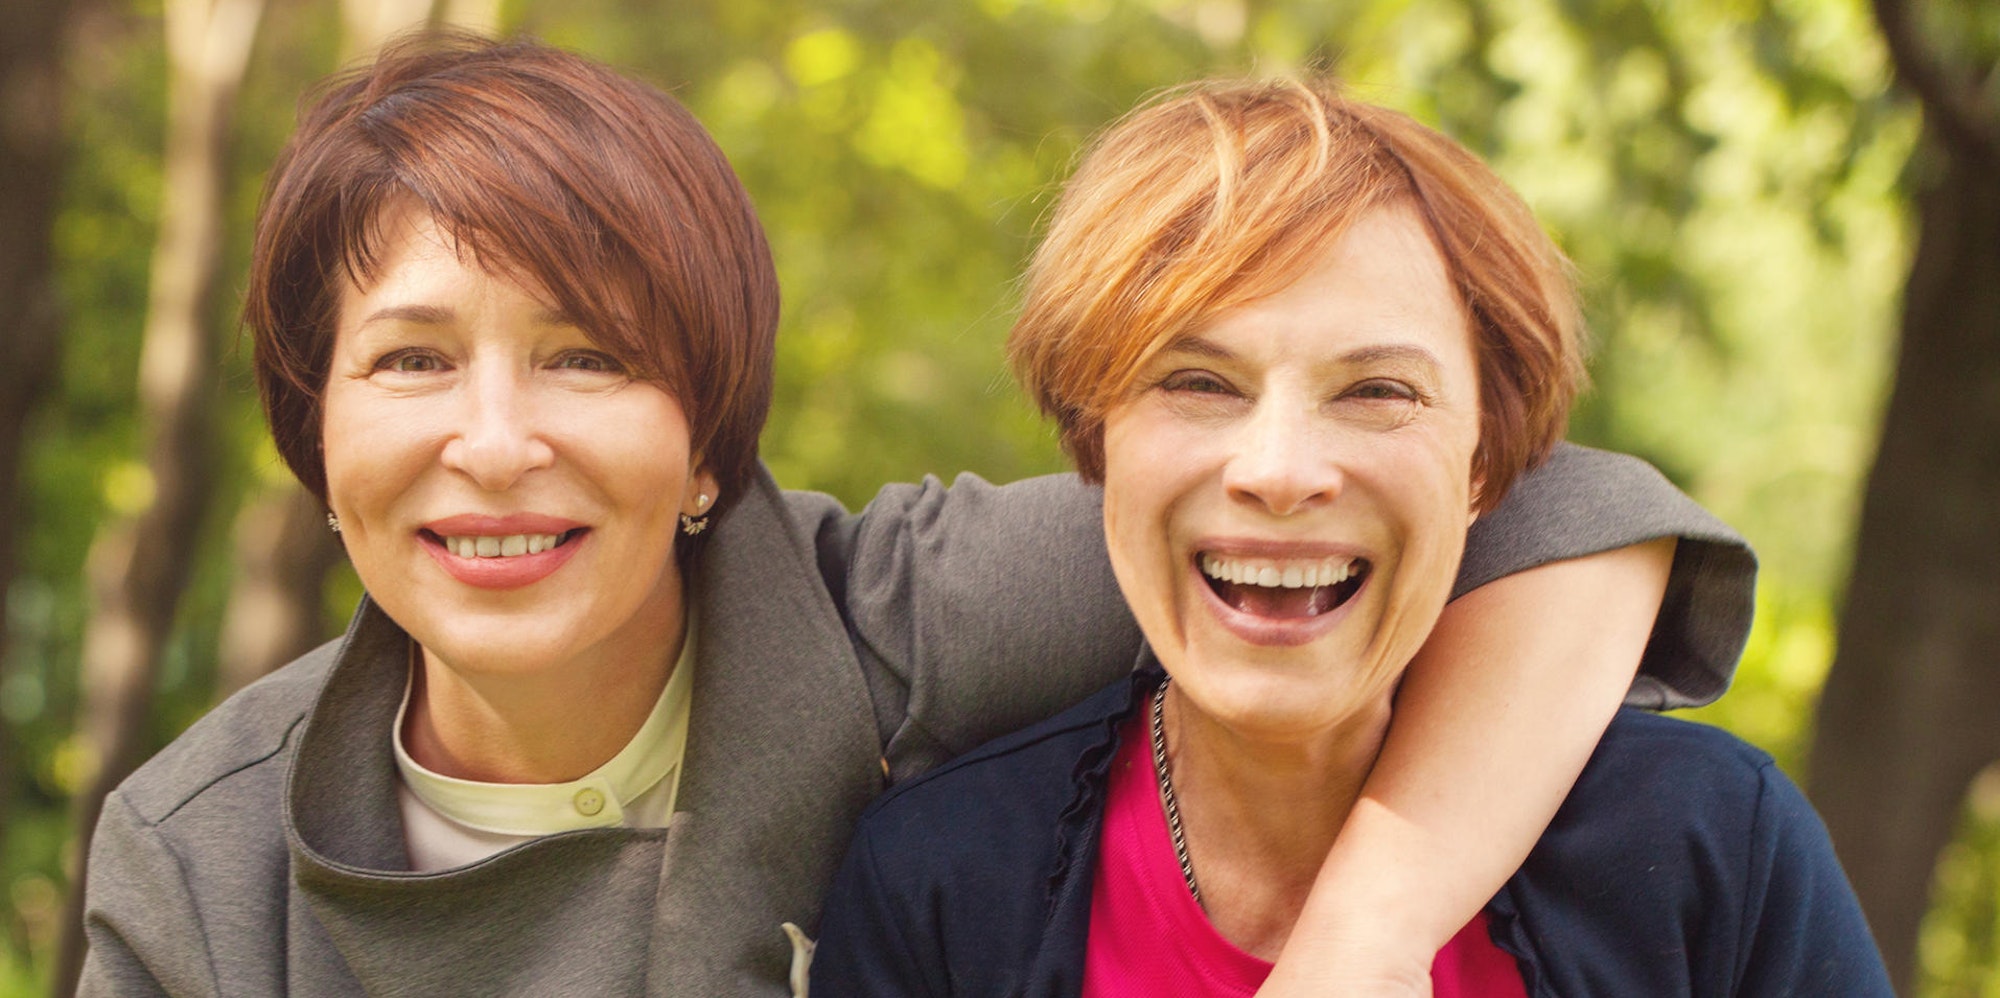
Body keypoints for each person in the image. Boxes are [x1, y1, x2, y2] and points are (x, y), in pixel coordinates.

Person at [79, 39, 1756, 997]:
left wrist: (1364, 942)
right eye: (411, 360)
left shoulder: (887, 617)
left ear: (709, 446)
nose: (495, 441)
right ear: (317, 426)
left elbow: (1560, 505)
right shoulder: (196, 857)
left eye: (589, 357)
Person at [810, 77, 1892, 996]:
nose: (1279, 470)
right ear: (1096, 439)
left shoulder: (1706, 842)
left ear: (1482, 466)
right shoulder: (937, 884)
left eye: (1376, 390)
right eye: (1196, 382)